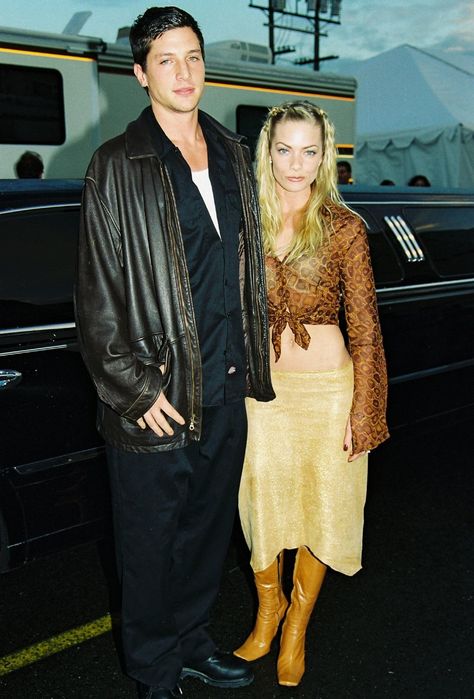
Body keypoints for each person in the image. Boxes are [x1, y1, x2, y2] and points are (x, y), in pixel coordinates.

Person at [74, 7, 274, 699]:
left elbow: (242, 268)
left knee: (204, 537)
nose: (183, 71)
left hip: (224, 386)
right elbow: (96, 300)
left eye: (192, 56)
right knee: (149, 549)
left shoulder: (229, 151)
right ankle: (156, 671)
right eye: (166, 60)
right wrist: (133, 391)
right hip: (155, 401)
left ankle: (192, 643)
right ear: (139, 74)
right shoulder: (115, 166)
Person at [233, 101, 389, 687]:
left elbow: (366, 326)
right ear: (266, 152)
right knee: (263, 509)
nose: (295, 165)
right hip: (263, 395)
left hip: (328, 394)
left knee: (325, 511)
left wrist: (363, 410)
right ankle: (267, 612)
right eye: (283, 150)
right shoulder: (247, 219)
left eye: (309, 151)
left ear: (325, 157)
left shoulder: (344, 226)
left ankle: (297, 624)